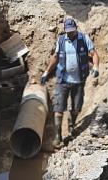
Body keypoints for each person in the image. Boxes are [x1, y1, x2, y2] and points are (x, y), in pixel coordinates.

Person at [40, 18, 100, 147]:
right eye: (68, 31)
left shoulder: (83, 39)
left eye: (72, 31)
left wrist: (95, 67)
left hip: (79, 81)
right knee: (58, 108)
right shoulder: (61, 40)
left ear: (76, 28)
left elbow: (94, 54)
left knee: (76, 108)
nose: (70, 33)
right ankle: (58, 135)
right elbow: (55, 58)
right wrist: (46, 72)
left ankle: (72, 124)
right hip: (62, 80)